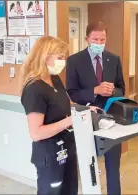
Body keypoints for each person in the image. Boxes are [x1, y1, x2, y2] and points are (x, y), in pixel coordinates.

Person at [20, 36, 98, 195]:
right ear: (46, 57)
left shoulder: (54, 79)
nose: (63, 62)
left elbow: (66, 104)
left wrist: (84, 109)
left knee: (70, 190)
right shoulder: (34, 88)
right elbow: (36, 133)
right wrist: (70, 121)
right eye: (60, 57)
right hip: (49, 154)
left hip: (67, 147)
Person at [66, 21, 125, 195]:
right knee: (88, 165)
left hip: (111, 120)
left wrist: (112, 91)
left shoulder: (113, 59)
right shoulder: (74, 61)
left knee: (113, 167)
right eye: (95, 39)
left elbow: (122, 88)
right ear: (87, 39)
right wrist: (94, 91)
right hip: (86, 120)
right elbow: (72, 92)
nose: (99, 43)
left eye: (102, 39)